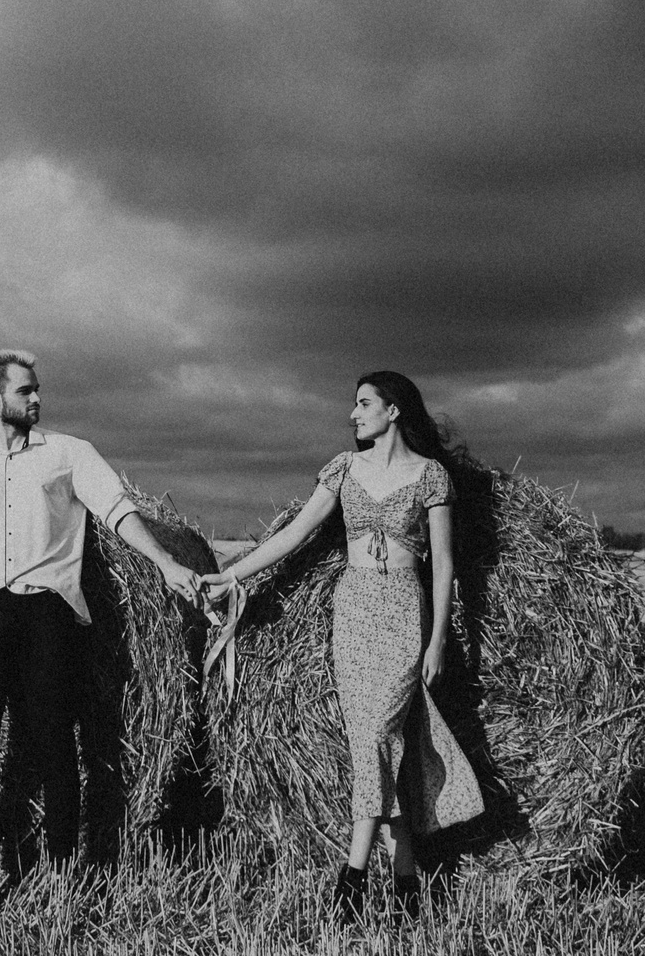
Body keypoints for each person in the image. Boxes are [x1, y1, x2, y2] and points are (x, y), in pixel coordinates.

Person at [199, 369, 483, 919]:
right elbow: (293, 533)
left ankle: (351, 878)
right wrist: (233, 576)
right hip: (352, 612)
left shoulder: (431, 477)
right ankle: (404, 881)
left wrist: (439, 640)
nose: (353, 415)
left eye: (363, 403)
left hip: (403, 610)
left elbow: (444, 565)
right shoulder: (344, 469)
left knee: (382, 733)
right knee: (375, 741)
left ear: (393, 409)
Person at [0, 348, 201, 874]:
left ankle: (62, 870)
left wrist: (165, 563)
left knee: (56, 746)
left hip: (47, 615)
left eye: (37, 389)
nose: (37, 398)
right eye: (25, 390)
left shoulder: (69, 453)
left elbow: (118, 511)